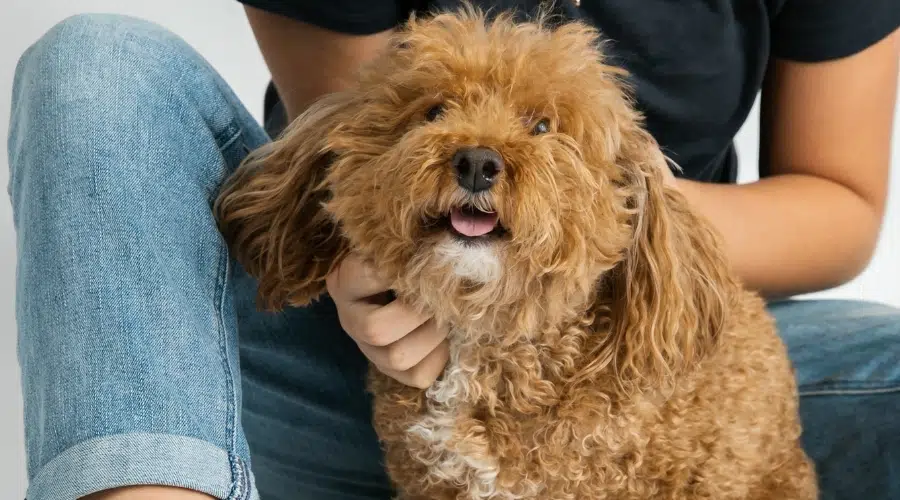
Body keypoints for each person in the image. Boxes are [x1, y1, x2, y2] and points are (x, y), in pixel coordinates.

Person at [6, 0, 899, 498]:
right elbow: (355, 141)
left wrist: (611, 216)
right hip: (340, 368)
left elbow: (843, 202)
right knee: (97, 64)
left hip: (648, 372)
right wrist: (369, 269)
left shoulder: (644, 236)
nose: (480, 147)